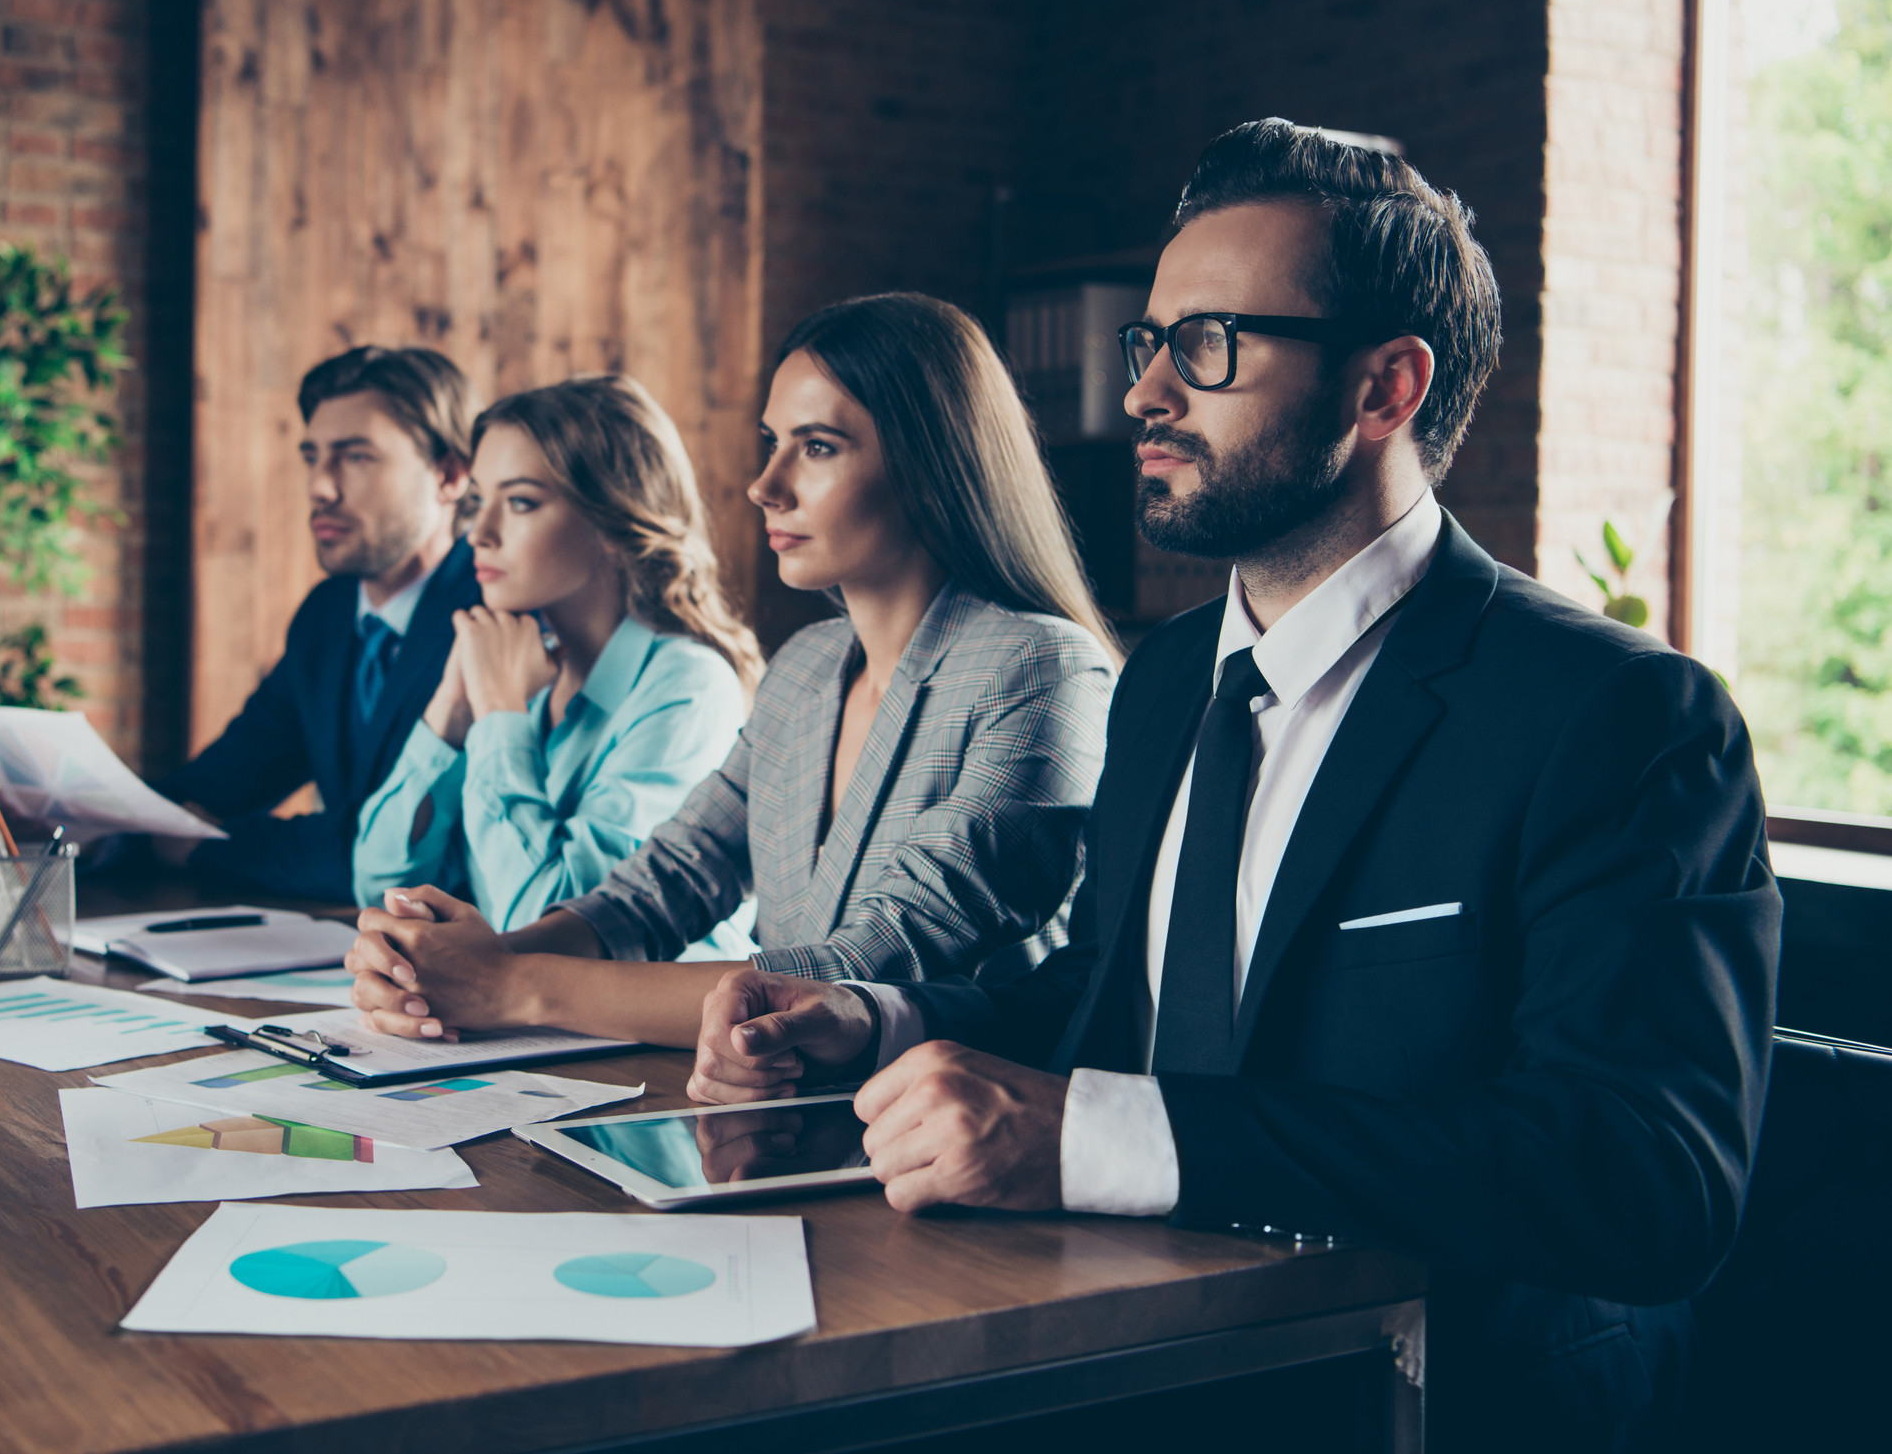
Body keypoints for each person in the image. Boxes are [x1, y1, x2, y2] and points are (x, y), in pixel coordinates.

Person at [687, 121, 1780, 1452]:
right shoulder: (1158, 685)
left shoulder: (1613, 718)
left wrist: (1091, 1139)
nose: (1144, 393)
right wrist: (872, 1018)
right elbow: (1100, 999)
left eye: (1205, 346)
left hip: (1433, 1406)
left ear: (1383, 388)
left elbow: (1642, 1181)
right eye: (1145, 344)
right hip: (1129, 1362)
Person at [346, 293, 1120, 1049]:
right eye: (771, 441)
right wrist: (452, 966)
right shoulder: (806, 668)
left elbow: (862, 969)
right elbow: (659, 889)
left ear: (933, 461)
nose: (764, 485)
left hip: (956, 1145)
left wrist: (509, 986)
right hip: (776, 1115)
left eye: (816, 446)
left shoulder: (1040, 669)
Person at [350, 374, 761, 936]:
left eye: (520, 502)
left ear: (615, 523)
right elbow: (378, 887)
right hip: (522, 1021)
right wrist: (451, 710)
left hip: (659, 1024)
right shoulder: (519, 663)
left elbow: (556, 929)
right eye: (477, 502)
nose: (478, 533)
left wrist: (498, 714)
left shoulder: (689, 687)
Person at [145, 346, 482, 901]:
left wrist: (207, 844)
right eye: (312, 457)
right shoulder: (326, 616)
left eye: (355, 458)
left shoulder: (492, 618)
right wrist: (94, 818)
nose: (320, 487)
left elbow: (418, 850)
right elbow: (225, 778)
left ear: (448, 475)